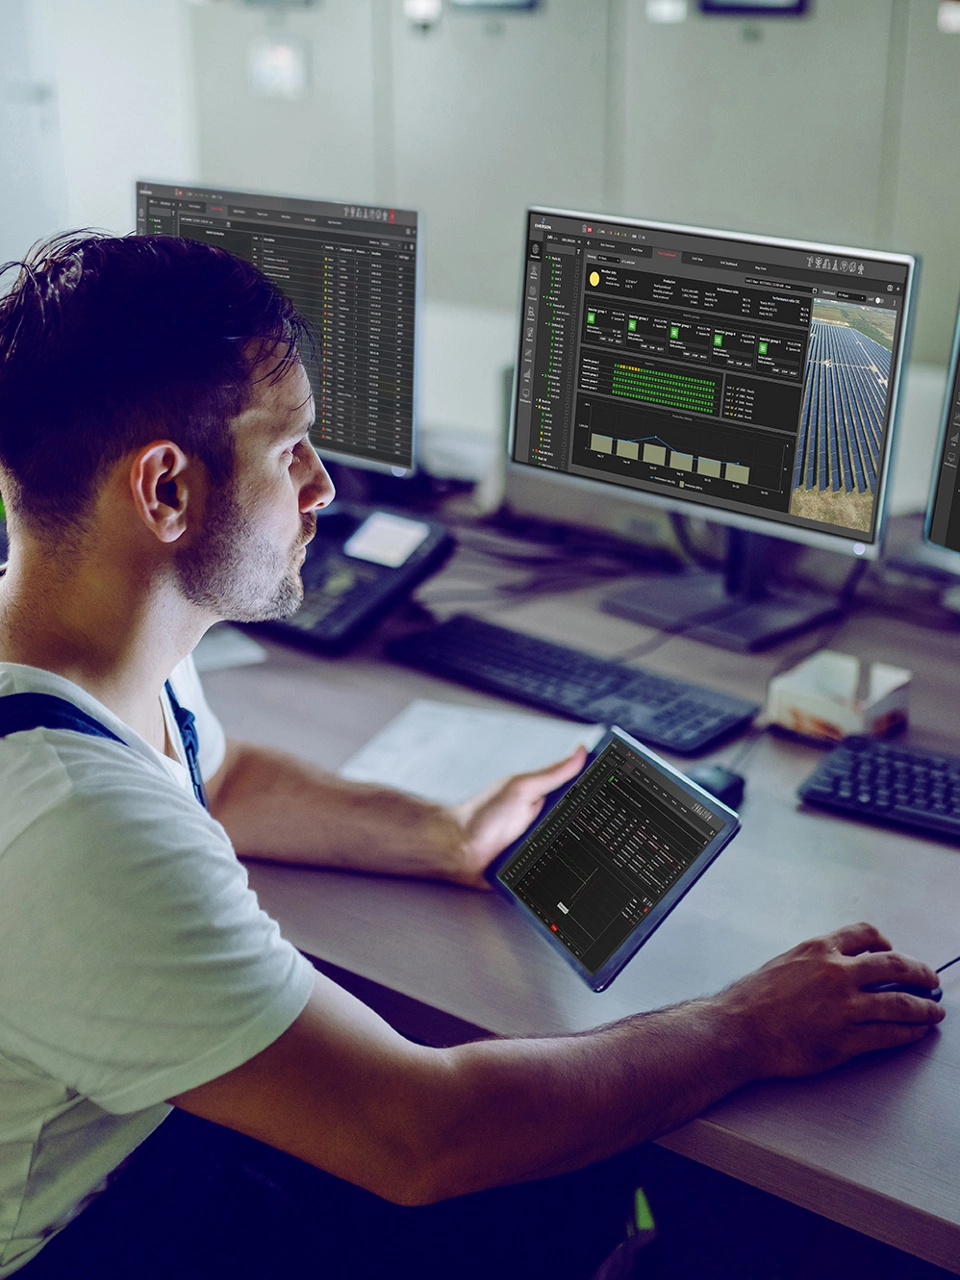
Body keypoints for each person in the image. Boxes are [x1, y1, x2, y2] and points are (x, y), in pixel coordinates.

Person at [0, 232, 944, 1280]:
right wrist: (745, 1026)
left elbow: (217, 780)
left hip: (148, 1148)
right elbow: (421, 1134)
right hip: (95, 1238)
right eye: (292, 448)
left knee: (596, 1149)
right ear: (165, 491)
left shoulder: (86, 644)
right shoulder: (72, 819)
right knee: (615, 1160)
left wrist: (443, 833)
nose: (323, 487)